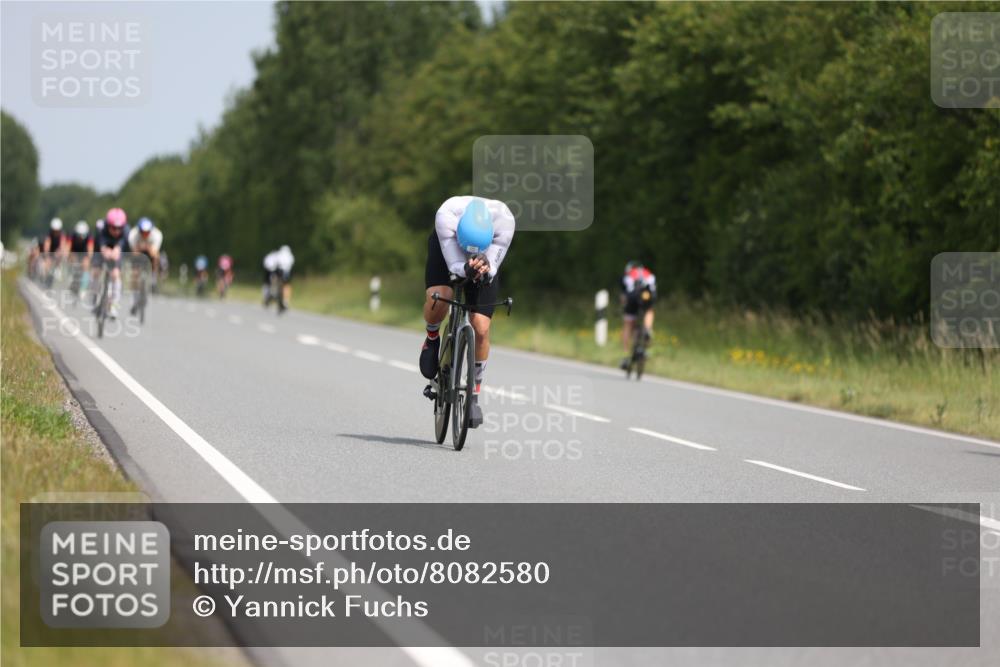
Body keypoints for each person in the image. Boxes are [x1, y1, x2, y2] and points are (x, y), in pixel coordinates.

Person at [419, 196, 515, 427]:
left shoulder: (504, 222)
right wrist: (464, 269)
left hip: (487, 253)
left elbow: (492, 266)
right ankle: (432, 337)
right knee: (441, 296)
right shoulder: (446, 217)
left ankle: (474, 393)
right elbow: (454, 266)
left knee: (481, 326)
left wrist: (484, 268)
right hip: (447, 250)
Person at [620, 261, 657, 369]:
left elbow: (624, 296)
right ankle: (648, 329)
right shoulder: (648, 273)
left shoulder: (628, 275)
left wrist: (623, 306)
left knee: (628, 323)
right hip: (648, 295)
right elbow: (654, 289)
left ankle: (626, 353)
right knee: (649, 311)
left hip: (633, 297)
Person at [94, 208, 130, 319]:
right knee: (96, 272)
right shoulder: (101, 228)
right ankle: (95, 295)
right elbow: (100, 243)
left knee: (115, 274)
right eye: (114, 228)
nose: (116, 231)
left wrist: (117, 250)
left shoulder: (127, 231)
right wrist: (104, 250)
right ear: (108, 225)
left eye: (119, 228)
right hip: (103, 247)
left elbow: (122, 246)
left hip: (117, 249)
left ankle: (113, 304)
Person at [262, 246, 294, 310]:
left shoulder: (277, 255)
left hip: (276, 271)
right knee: (286, 286)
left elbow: (270, 265)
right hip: (284, 273)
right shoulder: (290, 256)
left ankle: (273, 293)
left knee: (271, 281)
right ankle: (285, 301)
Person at [69, 220, 94, 298]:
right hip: (75, 250)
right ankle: (73, 278)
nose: (81, 237)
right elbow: (68, 247)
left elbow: (90, 249)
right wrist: (68, 256)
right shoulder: (72, 235)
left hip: (84, 251)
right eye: (79, 235)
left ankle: (83, 288)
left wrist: (89, 258)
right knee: (74, 263)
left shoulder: (89, 236)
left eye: (83, 235)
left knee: (85, 266)